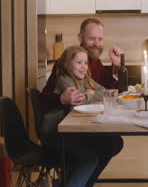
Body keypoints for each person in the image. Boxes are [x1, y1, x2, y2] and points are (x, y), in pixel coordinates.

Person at [40, 18, 124, 187]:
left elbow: (107, 90)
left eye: (100, 39)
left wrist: (116, 68)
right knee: (107, 146)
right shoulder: (65, 65)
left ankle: (75, 181)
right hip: (61, 129)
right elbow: (45, 98)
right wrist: (61, 99)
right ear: (80, 38)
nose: (97, 44)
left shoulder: (92, 62)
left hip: (78, 125)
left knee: (113, 142)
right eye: (92, 38)